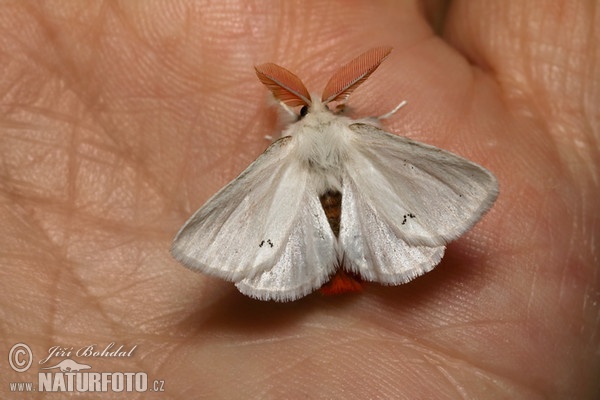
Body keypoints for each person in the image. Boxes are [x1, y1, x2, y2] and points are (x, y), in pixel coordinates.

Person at [0, 2, 597, 398]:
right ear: (338, 113)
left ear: (296, 119)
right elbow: (418, 153)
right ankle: (356, 257)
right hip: (378, 211)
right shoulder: (368, 134)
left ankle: (328, 262)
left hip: (300, 208)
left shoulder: (279, 150)